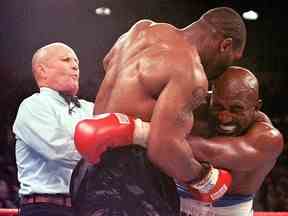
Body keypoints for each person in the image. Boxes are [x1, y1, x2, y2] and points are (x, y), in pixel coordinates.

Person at [71, 7, 247, 216]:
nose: (226, 69)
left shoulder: (141, 30)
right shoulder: (191, 71)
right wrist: (204, 178)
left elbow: (108, 60)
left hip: (87, 172)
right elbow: (163, 149)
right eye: (232, 59)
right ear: (225, 45)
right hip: (134, 181)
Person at [177, 66, 284, 216]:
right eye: (218, 106)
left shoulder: (268, 139)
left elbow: (212, 152)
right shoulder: (195, 107)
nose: (224, 116)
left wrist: (148, 134)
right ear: (211, 97)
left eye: (236, 109)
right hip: (175, 202)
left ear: (256, 107)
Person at [13, 42, 94, 216]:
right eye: (66, 60)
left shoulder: (90, 109)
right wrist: (104, 154)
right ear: (43, 71)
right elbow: (59, 150)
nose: (75, 66)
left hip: (85, 207)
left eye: (77, 63)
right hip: (45, 209)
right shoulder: (33, 106)